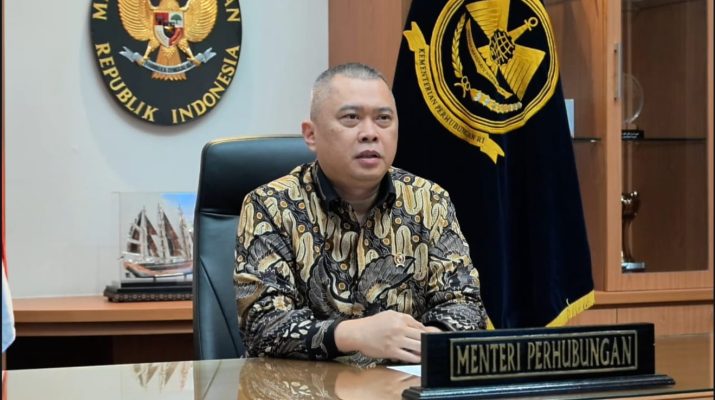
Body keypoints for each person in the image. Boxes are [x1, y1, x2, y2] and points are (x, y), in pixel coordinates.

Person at [234, 63, 488, 366]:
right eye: (351, 118)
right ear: (311, 134)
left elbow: (466, 305)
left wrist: (429, 341)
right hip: (303, 386)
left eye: (383, 119)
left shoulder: (430, 201)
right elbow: (262, 326)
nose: (370, 133)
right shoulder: (270, 205)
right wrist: (354, 335)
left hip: (402, 384)